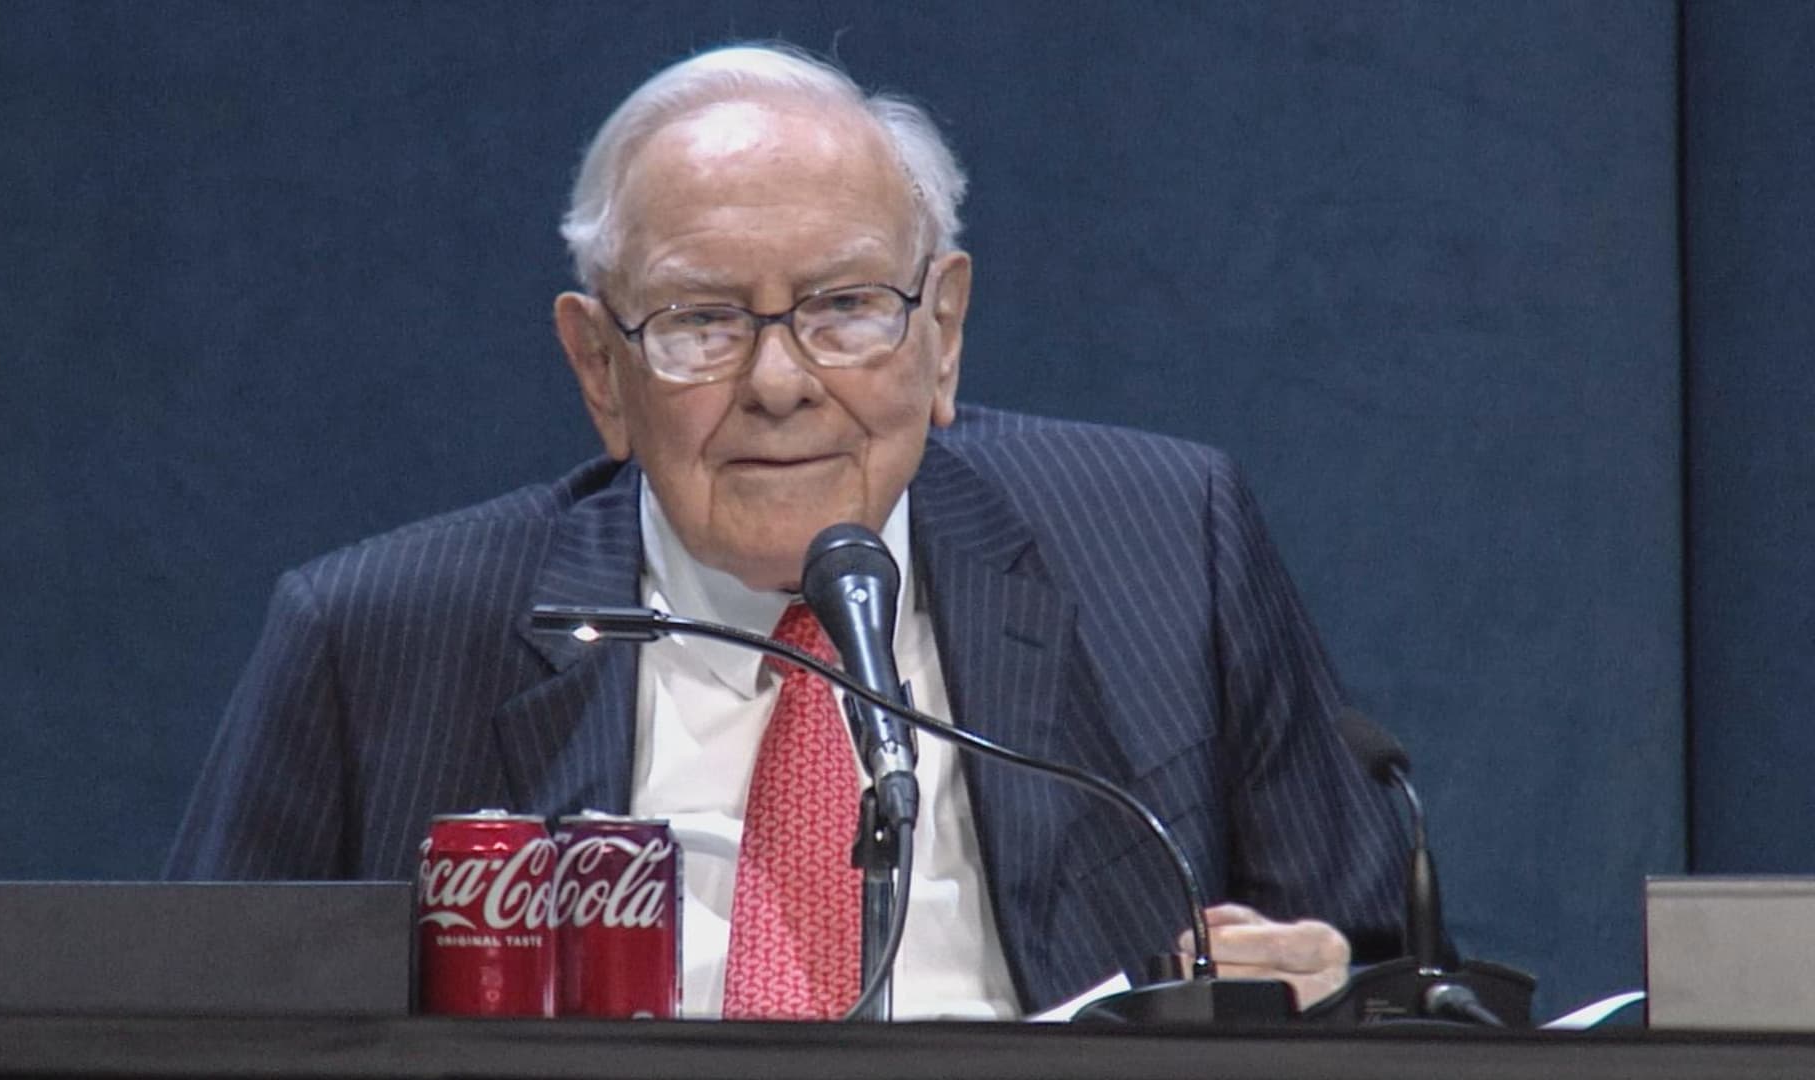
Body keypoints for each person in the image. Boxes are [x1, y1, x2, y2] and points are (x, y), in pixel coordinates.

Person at [168, 43, 1403, 1020]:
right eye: (701, 319)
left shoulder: (1165, 545)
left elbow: (1398, 987)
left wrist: (1321, 987)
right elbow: (196, 1034)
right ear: (600, 369)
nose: (779, 382)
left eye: (846, 306)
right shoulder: (378, 642)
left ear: (944, 335)